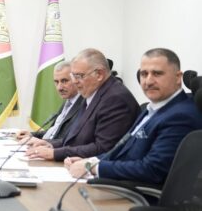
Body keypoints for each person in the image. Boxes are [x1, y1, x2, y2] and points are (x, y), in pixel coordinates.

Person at [67, 48, 202, 184]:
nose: (148, 81)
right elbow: (123, 151)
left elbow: (152, 170)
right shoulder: (152, 109)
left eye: (157, 73)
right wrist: (92, 160)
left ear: (178, 77)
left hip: (139, 192)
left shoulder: (180, 116)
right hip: (123, 184)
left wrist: (94, 167)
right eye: (144, 74)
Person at [25, 48, 139, 161]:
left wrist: (55, 153)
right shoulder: (91, 94)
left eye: (79, 76)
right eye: (73, 76)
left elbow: (103, 149)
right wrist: (50, 145)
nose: (75, 81)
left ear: (99, 74)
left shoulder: (115, 99)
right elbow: (75, 139)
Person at [16, 61, 83, 142]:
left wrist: (42, 142)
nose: (59, 88)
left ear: (76, 80)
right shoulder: (68, 102)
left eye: (64, 81)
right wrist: (31, 135)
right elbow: (54, 132)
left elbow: (69, 140)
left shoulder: (83, 104)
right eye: (56, 82)